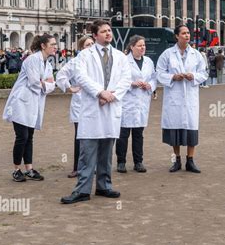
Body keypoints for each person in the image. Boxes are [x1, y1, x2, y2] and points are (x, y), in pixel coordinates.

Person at [61, 20, 132, 204]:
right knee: (87, 153)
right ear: (95, 35)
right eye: (103, 31)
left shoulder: (120, 56)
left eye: (109, 30)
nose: (108, 33)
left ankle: (104, 186)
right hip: (93, 107)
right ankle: (82, 190)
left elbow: (126, 79)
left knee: (107, 153)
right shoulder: (84, 55)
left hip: (110, 107)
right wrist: (100, 92)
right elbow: (81, 77)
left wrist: (111, 96)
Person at [2, 34, 57, 182]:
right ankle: (16, 169)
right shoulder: (33, 59)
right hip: (20, 103)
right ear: (43, 46)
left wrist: (45, 83)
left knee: (30, 137)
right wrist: (46, 83)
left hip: (34, 103)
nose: (55, 46)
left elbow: (52, 85)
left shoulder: (48, 63)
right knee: (22, 137)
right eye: (52, 44)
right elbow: (34, 82)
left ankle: (29, 169)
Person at [156, 25, 208, 173]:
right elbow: (159, 72)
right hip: (174, 96)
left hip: (190, 96)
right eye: (184, 33)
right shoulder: (167, 54)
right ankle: (177, 160)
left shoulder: (196, 54)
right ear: (177, 36)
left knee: (191, 129)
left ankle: (190, 161)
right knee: (175, 130)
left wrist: (194, 76)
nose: (187, 36)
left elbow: (204, 73)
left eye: (188, 33)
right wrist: (172, 77)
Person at [116, 35, 157, 174]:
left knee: (139, 134)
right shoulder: (124, 61)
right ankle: (121, 162)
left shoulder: (149, 62)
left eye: (144, 45)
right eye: (139, 45)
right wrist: (131, 84)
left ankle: (138, 162)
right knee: (123, 134)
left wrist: (149, 85)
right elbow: (118, 79)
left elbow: (153, 78)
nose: (142, 48)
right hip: (127, 101)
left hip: (142, 101)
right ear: (132, 47)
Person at [56, 35, 95, 178]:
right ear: (81, 48)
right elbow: (60, 75)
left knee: (94, 137)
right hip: (80, 104)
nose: (90, 47)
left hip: (96, 104)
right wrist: (69, 88)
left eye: (92, 44)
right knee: (80, 137)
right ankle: (77, 168)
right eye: (87, 45)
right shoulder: (75, 62)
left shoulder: (99, 62)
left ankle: (92, 166)